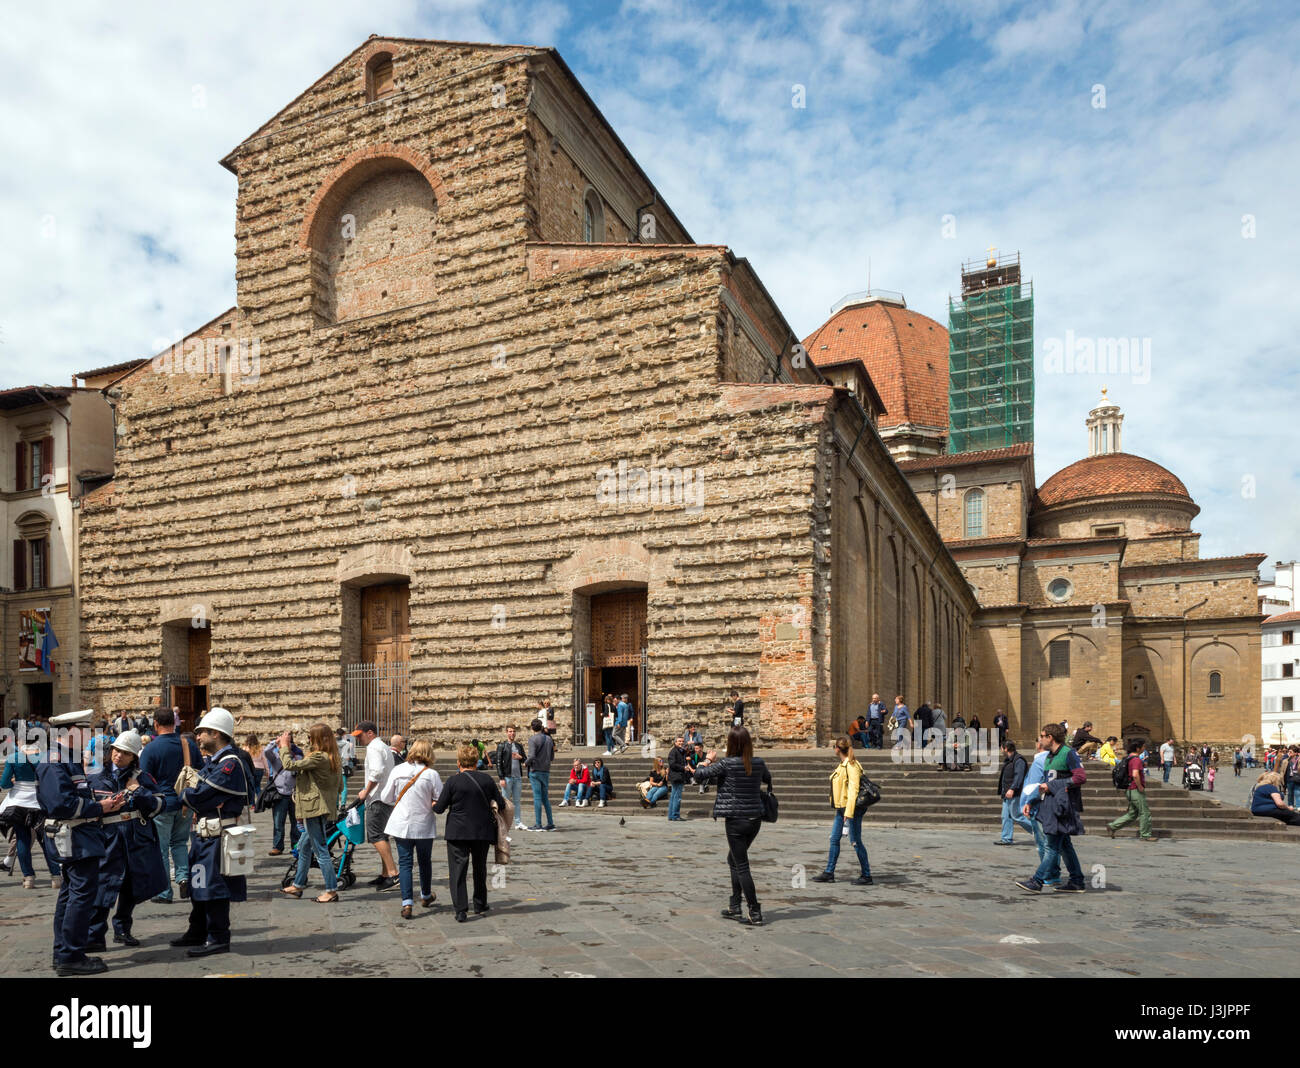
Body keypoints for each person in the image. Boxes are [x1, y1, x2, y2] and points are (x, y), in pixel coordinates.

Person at [38, 709, 127, 975]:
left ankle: (65, 951)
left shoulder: (68, 759)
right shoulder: (55, 760)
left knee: (71, 894)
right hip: (75, 837)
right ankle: (70, 956)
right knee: (80, 896)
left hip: (80, 836)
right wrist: (100, 807)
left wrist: (101, 806)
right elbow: (61, 804)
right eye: (86, 730)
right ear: (72, 732)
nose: (90, 735)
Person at [170, 708, 250, 956]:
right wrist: (192, 795)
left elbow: (198, 794)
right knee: (198, 884)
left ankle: (217, 937)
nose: (199, 736)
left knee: (214, 888)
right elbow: (196, 791)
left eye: (203, 731)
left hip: (218, 836)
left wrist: (189, 796)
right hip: (204, 834)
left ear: (217, 733)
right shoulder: (215, 763)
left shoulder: (230, 764)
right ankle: (198, 930)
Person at [86, 730, 168, 949]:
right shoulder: (95, 776)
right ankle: (94, 935)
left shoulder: (143, 777)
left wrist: (139, 791)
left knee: (131, 886)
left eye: (125, 753)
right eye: (116, 751)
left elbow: (160, 805)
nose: (118, 756)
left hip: (135, 838)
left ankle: (122, 929)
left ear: (134, 757)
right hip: (108, 839)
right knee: (103, 886)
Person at [691, 726, 771, 926]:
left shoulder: (726, 764)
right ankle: (735, 905)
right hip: (755, 819)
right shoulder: (758, 763)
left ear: (731, 744)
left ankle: (754, 911)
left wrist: (709, 760)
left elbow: (699, 774)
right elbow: (767, 779)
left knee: (742, 865)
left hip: (735, 820)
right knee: (733, 859)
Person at [433, 743, 507, 922]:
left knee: (458, 869)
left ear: (459, 762)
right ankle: (480, 903)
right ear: (476, 761)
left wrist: (432, 804)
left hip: (458, 831)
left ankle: (461, 909)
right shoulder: (487, 780)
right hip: (482, 830)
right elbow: (502, 804)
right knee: (479, 867)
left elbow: (440, 809)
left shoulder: (452, 781)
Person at [138, 706, 203, 904]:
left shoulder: (150, 749)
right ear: (174, 723)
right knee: (181, 843)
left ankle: (165, 891)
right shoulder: (188, 745)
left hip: (162, 805)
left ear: (155, 724)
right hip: (185, 802)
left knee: (161, 848)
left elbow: (144, 779)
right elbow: (200, 769)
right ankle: (183, 877)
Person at [1014, 723, 1087, 894]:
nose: (1040, 739)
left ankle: (1037, 881)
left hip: (1063, 805)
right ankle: (1077, 881)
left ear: (1050, 738)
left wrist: (1054, 785)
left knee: (1052, 846)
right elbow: (1043, 785)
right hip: (1051, 805)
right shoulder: (1049, 757)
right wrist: (1031, 802)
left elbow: (1080, 777)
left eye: (1042, 736)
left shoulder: (1068, 753)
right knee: (1064, 846)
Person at [279, 723, 344, 902]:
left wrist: (284, 746)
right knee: (305, 848)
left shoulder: (318, 757)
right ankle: (298, 885)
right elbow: (340, 787)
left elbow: (289, 765)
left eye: (310, 737)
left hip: (314, 808)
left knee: (320, 850)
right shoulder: (334, 758)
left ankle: (331, 890)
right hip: (324, 807)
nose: (308, 740)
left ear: (318, 739)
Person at [379, 739, 442, 919]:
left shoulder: (398, 770)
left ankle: (407, 903)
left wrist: (399, 802)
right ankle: (426, 894)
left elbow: (385, 797)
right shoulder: (432, 774)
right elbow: (439, 799)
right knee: (424, 862)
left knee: (405, 863)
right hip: (423, 825)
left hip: (402, 824)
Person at [1, 726, 63, 888]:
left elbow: (4, 783)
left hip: (18, 803)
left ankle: (29, 878)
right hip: (40, 802)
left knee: (22, 839)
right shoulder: (46, 757)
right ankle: (56, 876)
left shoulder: (14, 758)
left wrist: (15, 781)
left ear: (21, 741)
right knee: (46, 841)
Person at [812, 736, 872, 885]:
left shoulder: (851, 766)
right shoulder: (843, 764)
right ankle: (829, 872)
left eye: (834, 747)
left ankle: (867, 875)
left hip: (850, 810)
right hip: (841, 808)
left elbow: (853, 790)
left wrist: (849, 812)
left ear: (837, 749)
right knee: (834, 839)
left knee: (855, 841)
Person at [353, 721, 399, 889]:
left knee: (375, 836)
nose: (358, 739)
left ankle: (393, 874)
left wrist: (366, 791)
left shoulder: (373, 748)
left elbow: (377, 772)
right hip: (385, 797)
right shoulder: (384, 747)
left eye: (360, 735)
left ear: (370, 733)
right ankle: (385, 873)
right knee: (382, 836)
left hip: (377, 798)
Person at [1019, 733, 1061, 887]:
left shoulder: (1039, 761)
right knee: (1058, 845)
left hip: (1040, 807)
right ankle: (1060, 874)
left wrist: (1028, 802)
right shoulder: (1056, 758)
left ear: (1039, 744)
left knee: (1045, 844)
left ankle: (1048, 875)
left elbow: (1034, 786)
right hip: (1054, 805)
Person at [1107, 738, 1156, 842]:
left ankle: (1113, 826)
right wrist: (1140, 787)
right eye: (1143, 746)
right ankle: (1145, 835)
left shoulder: (1129, 758)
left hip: (1129, 789)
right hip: (1135, 789)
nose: (1144, 748)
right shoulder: (1136, 760)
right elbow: (1135, 774)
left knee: (1133, 814)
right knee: (1145, 813)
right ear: (1138, 748)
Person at [262, 732, 303, 855]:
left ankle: (296, 845)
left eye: (288, 742)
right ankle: (277, 846)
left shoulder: (297, 756)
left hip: (294, 793)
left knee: (296, 823)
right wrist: (276, 742)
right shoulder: (275, 755)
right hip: (279, 793)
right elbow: (266, 752)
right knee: (278, 822)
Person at [996, 741, 1032, 844]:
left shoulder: (1018, 760)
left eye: (1002, 748)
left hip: (1015, 793)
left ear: (1006, 748)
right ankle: (1006, 838)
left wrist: (1012, 788)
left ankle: (1040, 832)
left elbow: (1019, 776)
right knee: (1006, 816)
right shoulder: (1009, 760)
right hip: (1007, 793)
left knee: (1017, 816)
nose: (1001, 750)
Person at [494, 725, 528, 831]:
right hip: (507, 777)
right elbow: (498, 762)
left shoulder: (519, 746)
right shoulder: (502, 746)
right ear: (506, 733)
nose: (512, 733)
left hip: (517, 777)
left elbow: (525, 760)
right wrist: (501, 778)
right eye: (510, 731)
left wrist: (520, 757)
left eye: (513, 731)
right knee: (505, 801)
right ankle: (503, 822)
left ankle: (518, 823)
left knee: (517, 801)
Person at [525, 718, 556, 830]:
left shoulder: (532, 739)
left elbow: (532, 756)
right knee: (545, 798)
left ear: (532, 728)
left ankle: (538, 824)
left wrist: (525, 763)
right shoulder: (549, 739)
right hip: (546, 770)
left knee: (537, 798)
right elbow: (552, 756)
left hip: (535, 770)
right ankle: (550, 823)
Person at [666, 736, 690, 820]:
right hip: (676, 776)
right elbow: (672, 764)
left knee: (673, 796)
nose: (681, 743)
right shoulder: (673, 751)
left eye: (682, 741)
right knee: (677, 797)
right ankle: (675, 815)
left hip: (678, 776)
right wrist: (683, 768)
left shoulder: (681, 751)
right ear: (675, 742)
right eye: (679, 741)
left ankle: (671, 815)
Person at [243, 734, 266, 802]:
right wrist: (267, 770)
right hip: (260, 769)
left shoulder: (245, 749)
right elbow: (264, 759)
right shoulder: (260, 748)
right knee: (257, 786)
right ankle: (261, 803)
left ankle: (252, 804)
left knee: (251, 787)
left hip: (250, 769)